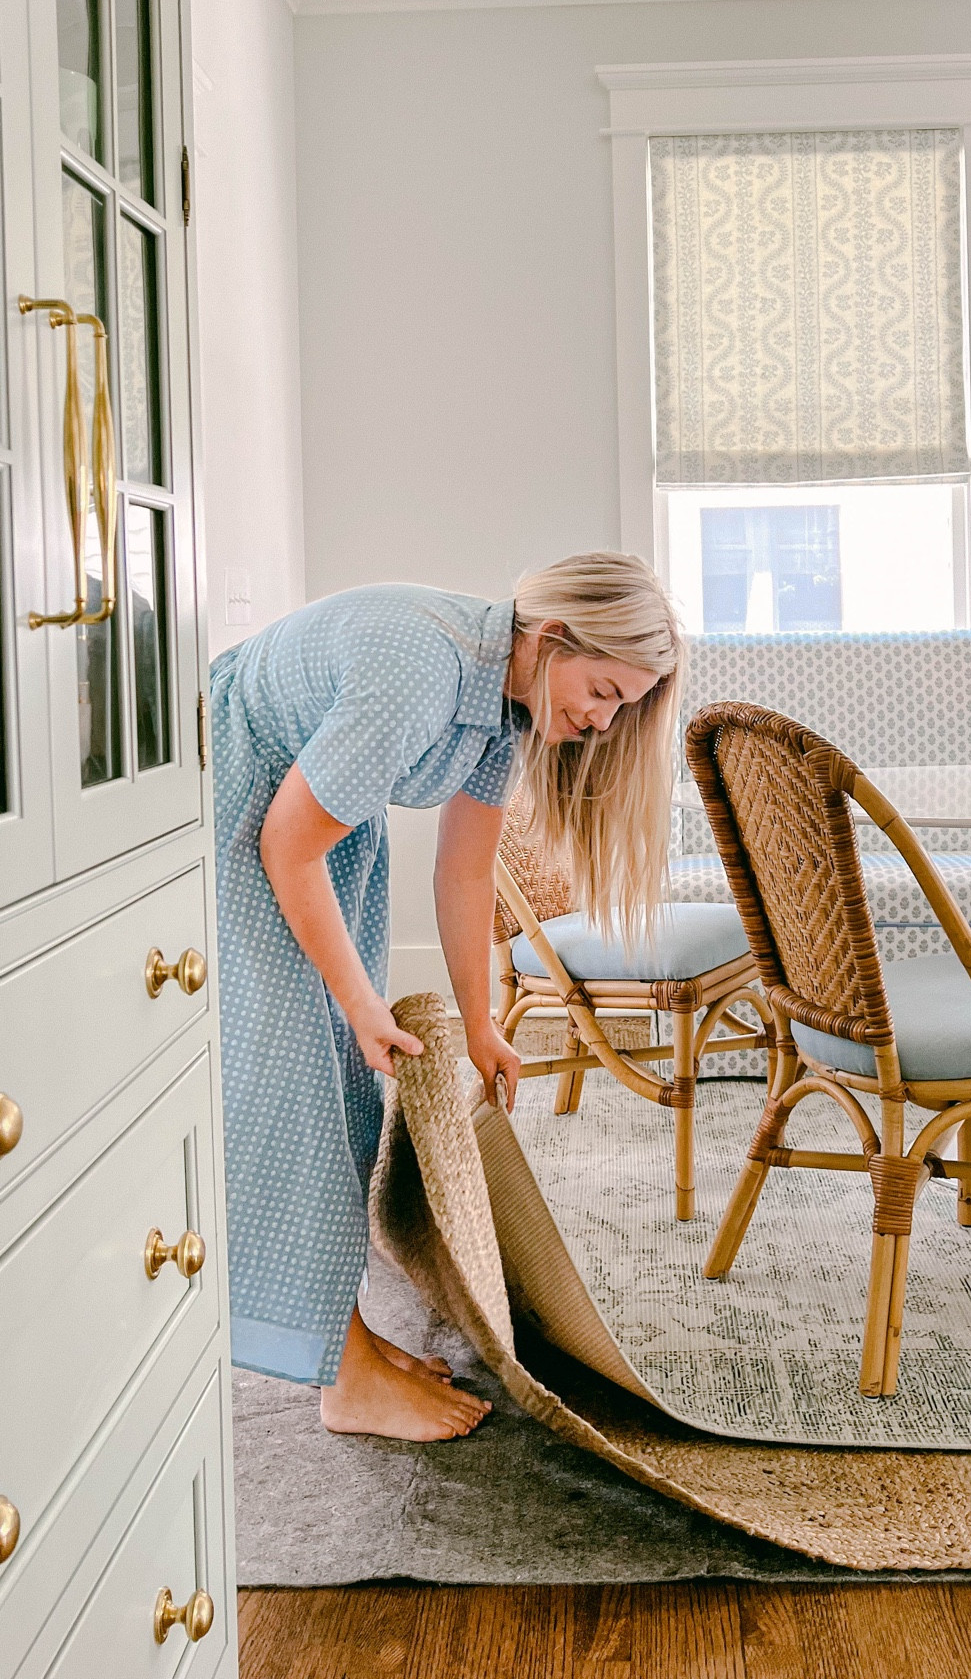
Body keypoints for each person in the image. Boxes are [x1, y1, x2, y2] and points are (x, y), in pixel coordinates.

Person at [210, 553, 685, 1441]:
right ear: (551, 639)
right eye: (602, 690)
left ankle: (343, 1342)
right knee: (302, 1089)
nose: (602, 719)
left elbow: (466, 871)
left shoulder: (506, 708)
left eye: (622, 706)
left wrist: (480, 1026)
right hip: (250, 815)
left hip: (312, 830)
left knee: (346, 1089)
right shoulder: (421, 674)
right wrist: (362, 1006)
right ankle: (342, 1378)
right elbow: (286, 844)